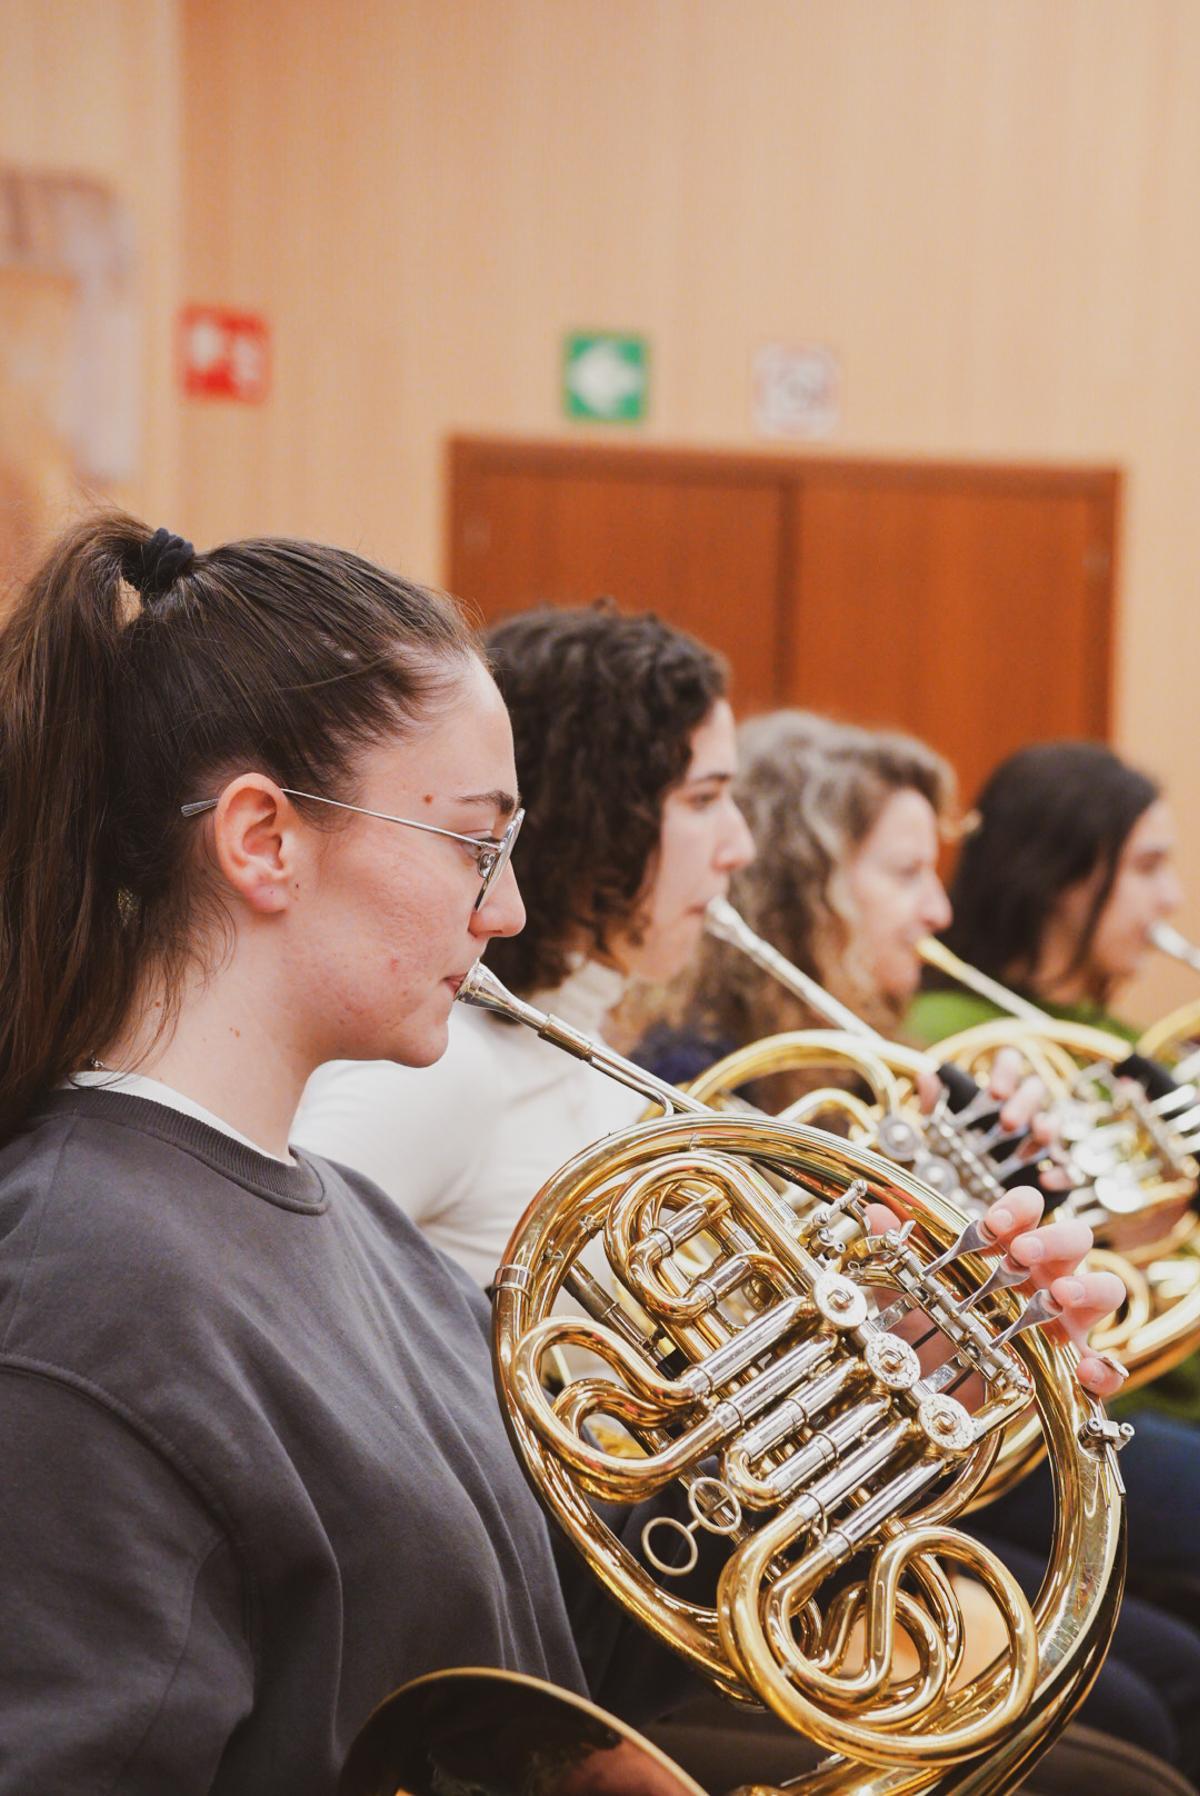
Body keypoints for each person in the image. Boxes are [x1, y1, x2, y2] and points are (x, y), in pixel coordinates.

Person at [0, 528, 1126, 1796]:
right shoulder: (76, 1291)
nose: (509, 911)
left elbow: (521, 1643)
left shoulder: (363, 1229)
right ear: (263, 838)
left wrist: (891, 1389)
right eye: (474, 844)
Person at [639, 708, 1200, 1778]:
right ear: (807, 885)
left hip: (917, 1474)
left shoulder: (880, 1067)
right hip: (768, 1533)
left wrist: (1032, 1211)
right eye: (905, 873)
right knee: (1149, 1695)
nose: (939, 907)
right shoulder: (713, 1080)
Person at [293, 602, 759, 1286]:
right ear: (593, 814)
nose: (739, 847)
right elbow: (277, 1303)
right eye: (702, 800)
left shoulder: (581, 1057)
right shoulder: (444, 1071)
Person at [906, 741, 1181, 1048]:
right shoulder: (939, 1035)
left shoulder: (1132, 1046)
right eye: (1147, 867)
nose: (1172, 898)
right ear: (1059, 872)